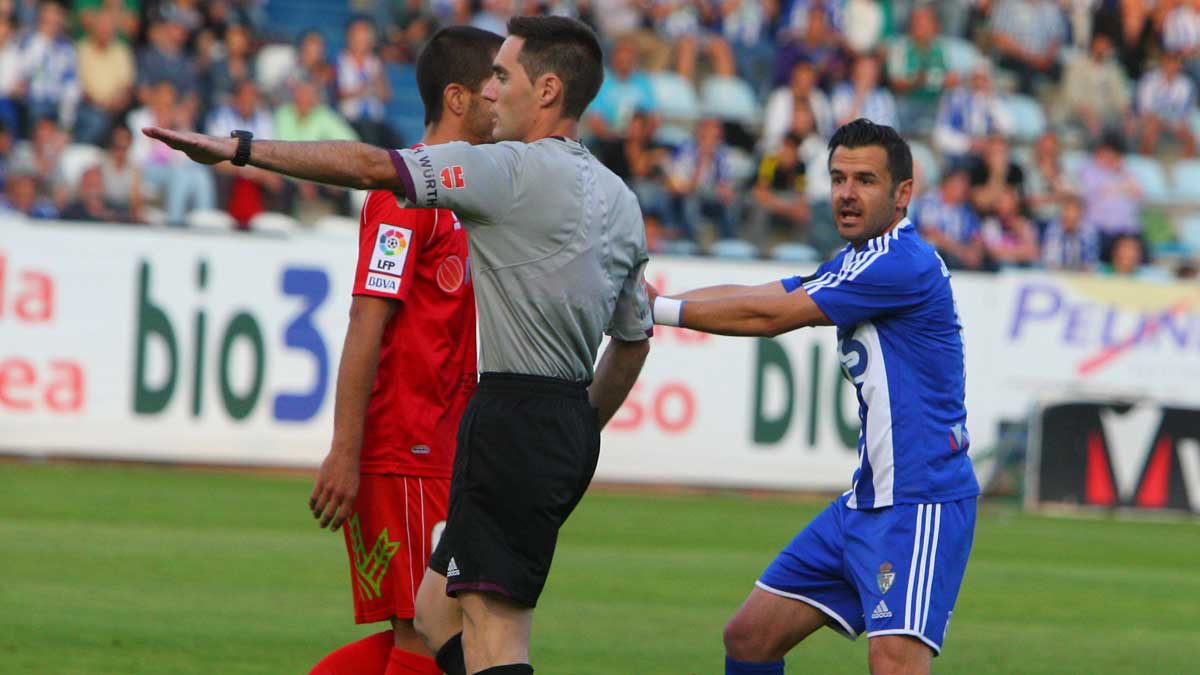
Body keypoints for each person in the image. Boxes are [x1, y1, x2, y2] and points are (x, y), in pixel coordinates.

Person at [143, 16, 653, 675]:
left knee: (471, 634)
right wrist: (578, 429)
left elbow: (365, 166)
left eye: (507, 76)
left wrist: (242, 148)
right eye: (490, 77)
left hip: (490, 426)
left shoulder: (502, 176)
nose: (497, 92)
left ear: (548, 89)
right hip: (447, 440)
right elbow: (633, 340)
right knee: (438, 619)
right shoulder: (619, 199)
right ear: (457, 96)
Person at [647, 119, 978, 675]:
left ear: (903, 194)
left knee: (893, 664)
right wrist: (661, 299)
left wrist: (657, 312)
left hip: (920, 503)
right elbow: (769, 292)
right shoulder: (858, 259)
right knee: (750, 637)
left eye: (866, 180)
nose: (847, 193)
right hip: (865, 502)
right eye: (838, 178)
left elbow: (773, 315)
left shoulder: (902, 263)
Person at [304, 26, 504, 675]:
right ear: (457, 98)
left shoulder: (470, 196)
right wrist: (346, 447)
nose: (506, 102)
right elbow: (367, 317)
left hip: (444, 449)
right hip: (404, 449)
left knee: (427, 636)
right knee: (430, 630)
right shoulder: (402, 194)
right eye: (495, 88)